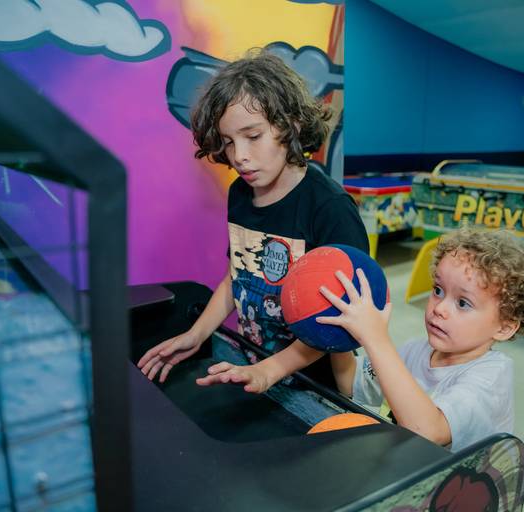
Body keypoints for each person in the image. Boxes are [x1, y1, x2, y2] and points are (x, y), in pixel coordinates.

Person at [199, 228, 524, 451]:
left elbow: (429, 430)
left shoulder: (490, 378)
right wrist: (340, 331)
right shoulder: (417, 351)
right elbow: (351, 384)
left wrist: (376, 338)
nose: (439, 309)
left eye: (463, 303)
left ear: (504, 327)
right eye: (437, 291)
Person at [137, 49, 368, 389]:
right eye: (229, 142)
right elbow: (238, 276)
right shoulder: (241, 193)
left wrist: (271, 370)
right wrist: (197, 334)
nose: (239, 156)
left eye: (253, 136)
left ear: (291, 124)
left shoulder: (330, 208)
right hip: (255, 368)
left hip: (314, 387)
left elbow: (342, 318)